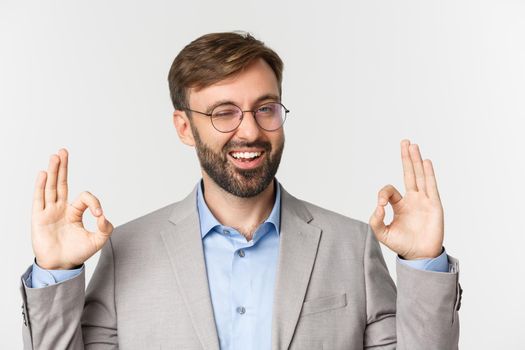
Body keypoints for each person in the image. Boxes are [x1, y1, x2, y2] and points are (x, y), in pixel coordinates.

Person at [20, 31, 461, 350]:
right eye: (223, 113)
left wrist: (424, 262)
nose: (249, 131)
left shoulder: (351, 244)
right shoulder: (126, 250)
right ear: (184, 127)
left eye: (265, 108)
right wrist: (56, 272)